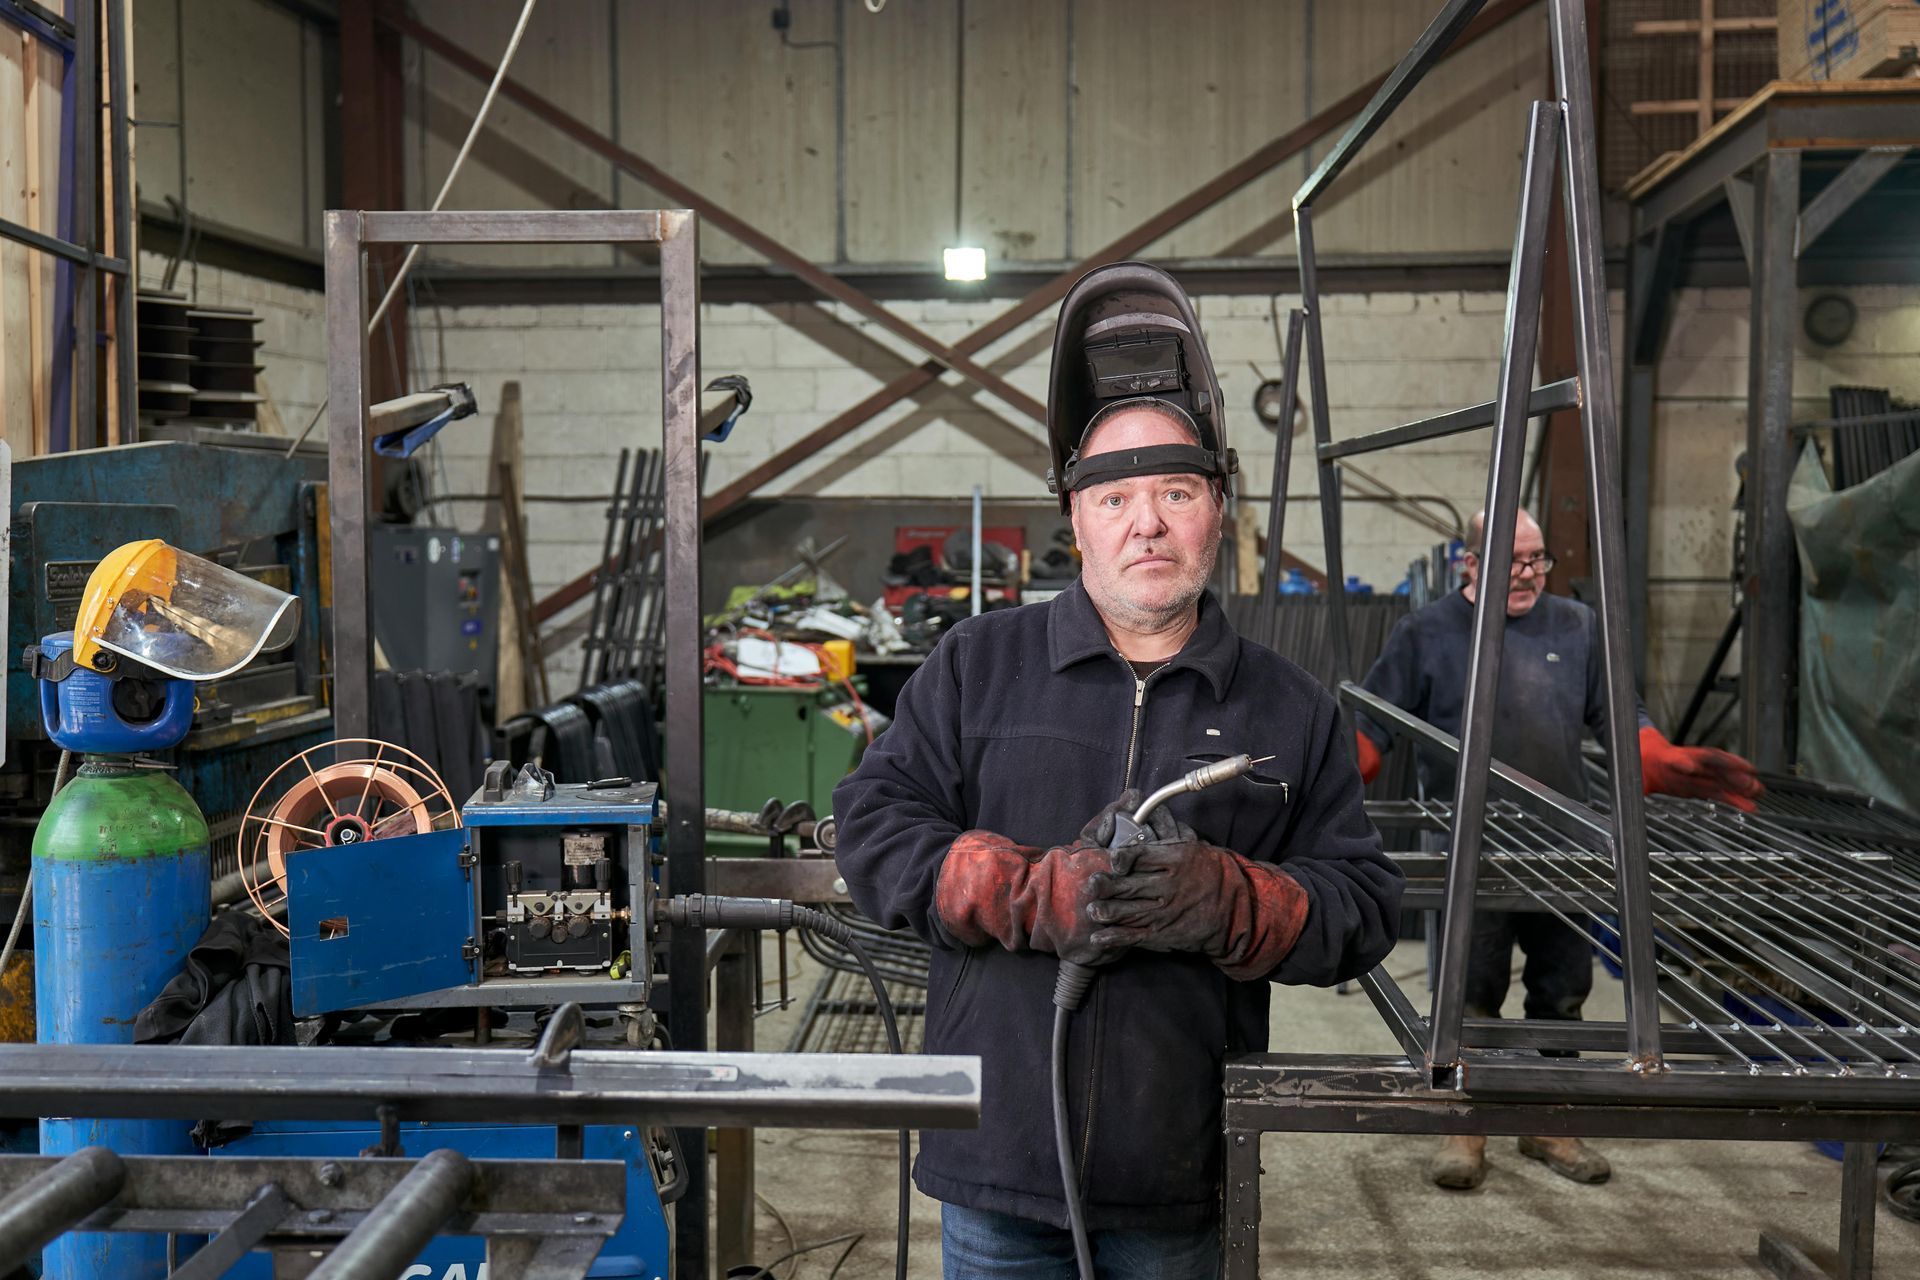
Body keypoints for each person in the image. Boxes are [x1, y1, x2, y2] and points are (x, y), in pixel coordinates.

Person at [833, 262, 1405, 1279]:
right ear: (1079, 517)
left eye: (1175, 491)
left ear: (1215, 508)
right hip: (996, 1162)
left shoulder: (1288, 707)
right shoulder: (979, 664)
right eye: (1119, 496)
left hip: (1176, 1170)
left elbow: (1362, 906)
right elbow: (872, 819)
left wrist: (1236, 900)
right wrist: (1015, 888)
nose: (1147, 520)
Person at [1355, 507, 1763, 1191]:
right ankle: (1466, 1124)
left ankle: (1548, 1122)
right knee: (1468, 995)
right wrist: (1332, 780)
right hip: (1468, 851)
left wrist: (1659, 760)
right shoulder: (1425, 633)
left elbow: (1623, 719)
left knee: (1562, 993)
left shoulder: (1578, 627)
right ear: (1470, 562)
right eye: (1511, 560)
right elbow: (1373, 728)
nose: (1527, 574)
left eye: (1537, 559)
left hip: (1563, 848)